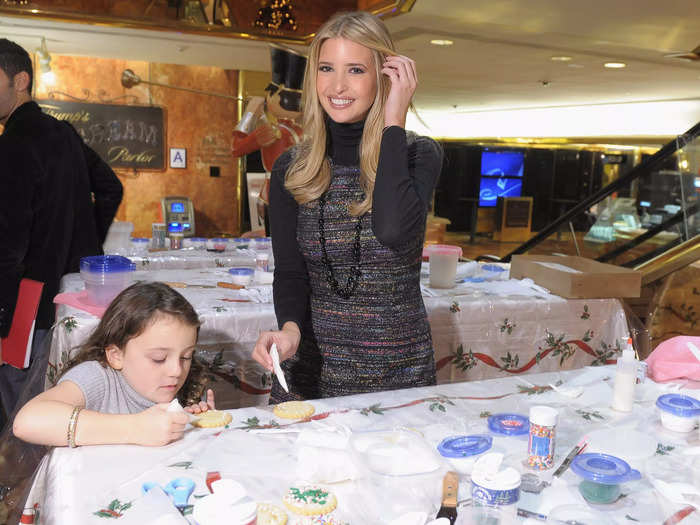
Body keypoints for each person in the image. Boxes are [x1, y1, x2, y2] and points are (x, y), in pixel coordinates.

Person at [251, 11, 443, 401]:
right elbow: (290, 272)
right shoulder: (292, 166)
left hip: (396, 373)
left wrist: (393, 122)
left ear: (384, 76)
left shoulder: (417, 155)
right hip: (310, 372)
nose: (337, 85)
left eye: (355, 69)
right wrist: (289, 330)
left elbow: (391, 230)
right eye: (326, 68)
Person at [0, 38, 123, 430]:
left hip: (22, 297)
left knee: (20, 406)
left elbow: (9, 240)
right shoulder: (63, 132)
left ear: (19, 80)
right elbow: (111, 188)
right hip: (69, 290)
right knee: (57, 390)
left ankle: (20, 488)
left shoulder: (14, 142)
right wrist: (84, 244)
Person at [13, 282, 214, 447]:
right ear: (116, 355)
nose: (176, 370)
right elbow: (27, 422)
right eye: (159, 358)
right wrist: (135, 428)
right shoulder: (97, 378)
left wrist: (196, 427)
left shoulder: (189, 384)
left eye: (186, 357)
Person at [232, 44, 306, 236]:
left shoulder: (281, 132)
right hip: (290, 195)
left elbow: (236, 148)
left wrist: (250, 113)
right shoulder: (290, 131)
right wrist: (256, 114)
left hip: (287, 195)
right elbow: (237, 149)